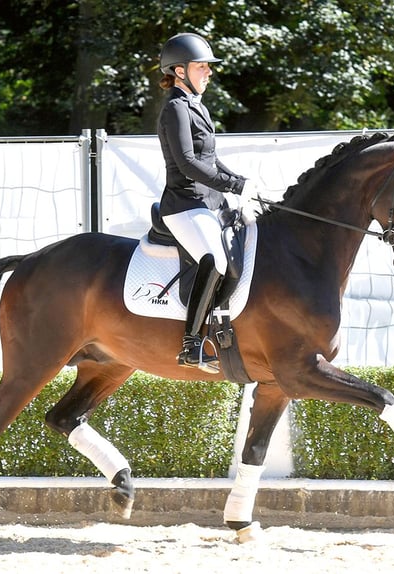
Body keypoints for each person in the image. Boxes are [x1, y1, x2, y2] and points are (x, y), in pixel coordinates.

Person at [157, 32, 248, 373]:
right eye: (201, 67)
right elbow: (188, 164)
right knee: (216, 261)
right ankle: (191, 343)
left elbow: (210, 159)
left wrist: (242, 183)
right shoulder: (175, 109)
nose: (208, 72)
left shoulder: (197, 107)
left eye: (208, 67)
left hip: (208, 202)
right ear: (179, 71)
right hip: (184, 205)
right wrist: (233, 184)